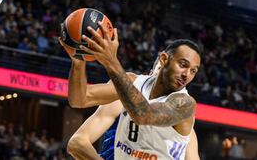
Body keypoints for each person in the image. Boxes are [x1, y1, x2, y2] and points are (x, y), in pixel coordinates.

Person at [59, 24, 201, 160]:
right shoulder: (133, 83)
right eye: (183, 65)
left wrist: (110, 61)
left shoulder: (185, 104)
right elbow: (79, 99)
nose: (187, 75)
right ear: (163, 60)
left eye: (193, 71)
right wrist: (78, 61)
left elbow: (143, 115)